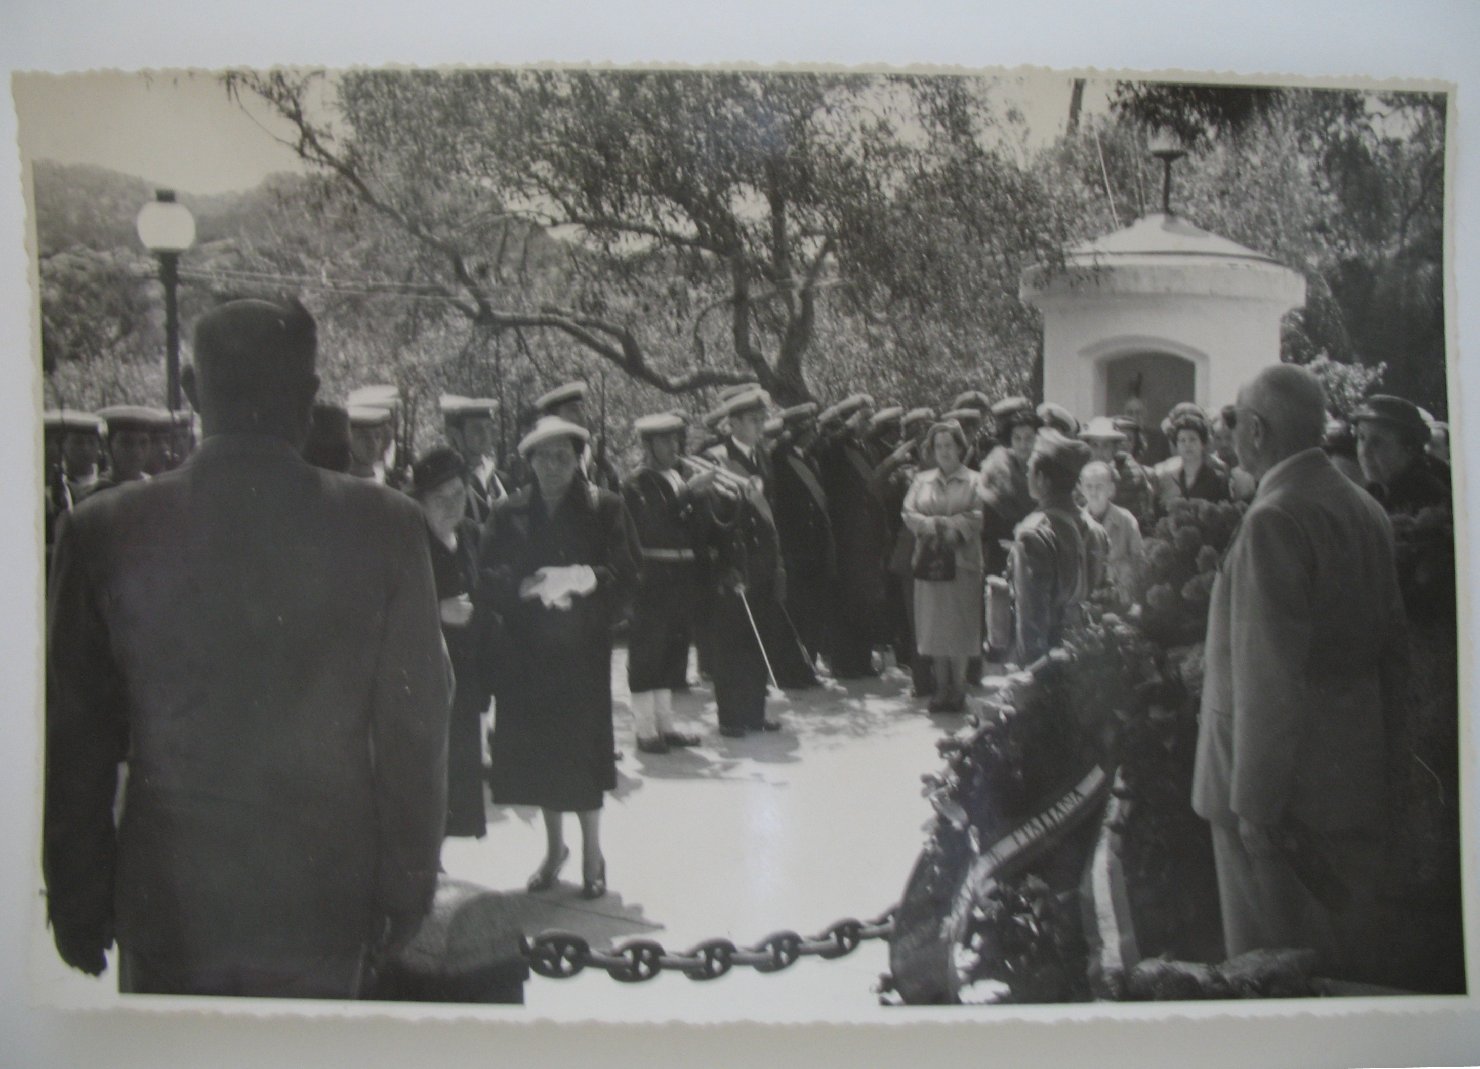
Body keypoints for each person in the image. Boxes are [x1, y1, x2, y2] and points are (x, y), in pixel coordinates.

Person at [44, 298, 450, 998]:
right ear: (308, 396)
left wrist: (77, 892)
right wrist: (407, 881)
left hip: (169, 902)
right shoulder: (385, 527)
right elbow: (417, 724)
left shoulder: (103, 529)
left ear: (192, 392)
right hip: (323, 898)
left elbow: (75, 735)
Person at [1192, 364, 1406, 981]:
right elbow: (1394, 656)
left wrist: (1257, 810)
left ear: (1257, 430)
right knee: (1343, 967)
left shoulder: (1275, 517)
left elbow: (1269, 677)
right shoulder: (1364, 508)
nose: (1230, 434)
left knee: (1274, 977)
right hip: (1350, 779)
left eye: (1234, 421)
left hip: (1275, 802)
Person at [478, 416, 638, 899]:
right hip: (527, 656)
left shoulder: (604, 507)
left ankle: (592, 852)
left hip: (580, 653)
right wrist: (521, 585)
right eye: (544, 457)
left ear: (579, 459)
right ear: (528, 461)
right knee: (541, 759)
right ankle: (554, 851)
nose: (554, 466)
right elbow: (486, 571)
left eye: (564, 456)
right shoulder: (509, 512)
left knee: (582, 756)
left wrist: (588, 579)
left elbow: (628, 571)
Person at [411, 446, 492, 840]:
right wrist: (436, 612)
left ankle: (439, 856)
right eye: (440, 498)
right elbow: (384, 604)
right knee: (425, 771)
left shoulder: (473, 535)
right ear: (421, 501)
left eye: (459, 495)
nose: (451, 505)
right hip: (423, 674)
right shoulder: (409, 541)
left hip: (466, 673)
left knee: (460, 771)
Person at [621, 412, 704, 754]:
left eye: (676, 439)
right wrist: (687, 493)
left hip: (680, 577)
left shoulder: (676, 476)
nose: (675, 447)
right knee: (647, 654)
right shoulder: (636, 483)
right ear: (648, 445)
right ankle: (644, 730)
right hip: (653, 578)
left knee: (672, 652)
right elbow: (652, 525)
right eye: (666, 440)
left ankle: (666, 725)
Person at [902, 420, 985, 713]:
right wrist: (932, 525)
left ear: (960, 447)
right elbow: (908, 512)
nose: (944, 451)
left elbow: (978, 513)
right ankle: (941, 688)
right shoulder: (921, 480)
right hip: (930, 563)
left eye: (950, 445)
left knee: (960, 626)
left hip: (962, 563)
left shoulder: (976, 480)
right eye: (938, 446)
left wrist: (954, 527)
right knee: (935, 626)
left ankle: (959, 688)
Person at [1009, 429, 1107, 665]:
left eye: (1031, 469)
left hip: (1048, 654)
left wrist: (1030, 669)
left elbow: (1031, 614)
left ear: (1043, 480)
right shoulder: (1096, 528)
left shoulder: (1033, 533)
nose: (1027, 474)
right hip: (1088, 648)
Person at [817, 393, 890, 678]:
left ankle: (861, 659)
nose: (866, 424)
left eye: (868, 418)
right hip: (845, 536)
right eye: (861, 418)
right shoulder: (834, 446)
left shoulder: (865, 448)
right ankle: (844, 662)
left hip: (867, 537)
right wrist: (845, 428)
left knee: (864, 601)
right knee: (845, 600)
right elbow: (825, 451)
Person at [768, 402, 835, 673]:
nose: (814, 433)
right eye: (808, 428)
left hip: (814, 547)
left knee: (812, 610)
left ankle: (807, 663)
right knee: (795, 609)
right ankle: (790, 669)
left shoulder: (809, 459)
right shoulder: (780, 459)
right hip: (794, 547)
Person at [1350, 394, 1451, 516]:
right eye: (1361, 438)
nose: (1364, 452)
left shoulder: (1430, 500)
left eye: (1377, 442)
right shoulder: (1374, 491)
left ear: (1409, 448)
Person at [978, 396, 1040, 576]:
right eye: (1017, 438)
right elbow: (987, 523)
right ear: (1010, 440)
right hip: (1001, 554)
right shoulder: (996, 468)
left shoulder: (1048, 471)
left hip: (1039, 554)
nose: (1023, 445)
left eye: (1029, 438)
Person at [533, 380, 621, 492]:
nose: (581, 416)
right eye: (573, 410)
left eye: (582, 409)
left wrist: (606, 466)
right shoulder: (544, 460)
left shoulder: (589, 456)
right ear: (554, 417)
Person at [1078, 460, 1142, 605]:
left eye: (1099, 486)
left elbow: (1138, 563)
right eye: (1089, 486)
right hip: (1086, 602)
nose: (1093, 492)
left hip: (1120, 599)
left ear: (1111, 489)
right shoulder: (1075, 522)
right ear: (1081, 488)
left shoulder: (1126, 520)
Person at [440, 394, 507, 523]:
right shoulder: (445, 484)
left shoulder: (501, 480)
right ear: (455, 434)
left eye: (488, 427)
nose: (485, 435)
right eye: (476, 428)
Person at [1082, 416, 1156, 532]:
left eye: (1106, 445)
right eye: (1095, 445)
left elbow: (1144, 519)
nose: (1100, 452)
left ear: (1115, 448)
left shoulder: (1132, 475)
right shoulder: (1077, 477)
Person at [1153, 406, 1231, 514]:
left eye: (1192, 439)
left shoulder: (1218, 478)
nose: (1187, 445)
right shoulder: (1164, 474)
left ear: (1202, 443)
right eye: (1182, 440)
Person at [92, 406, 164, 494]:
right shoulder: (95, 495)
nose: (137, 452)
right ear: (107, 445)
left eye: (143, 443)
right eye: (126, 442)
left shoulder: (155, 493)